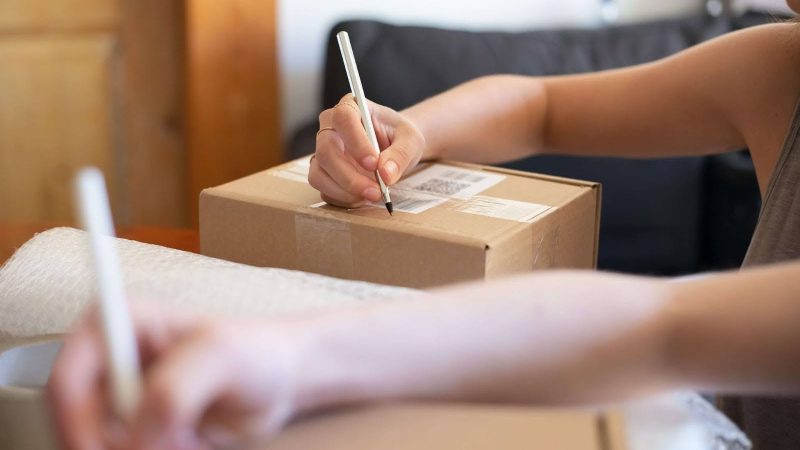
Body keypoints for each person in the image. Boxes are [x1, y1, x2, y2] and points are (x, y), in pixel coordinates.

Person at [49, 7, 800, 450]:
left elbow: (661, 329)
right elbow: (536, 103)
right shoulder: (779, 67)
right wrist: (411, 134)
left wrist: (297, 353)